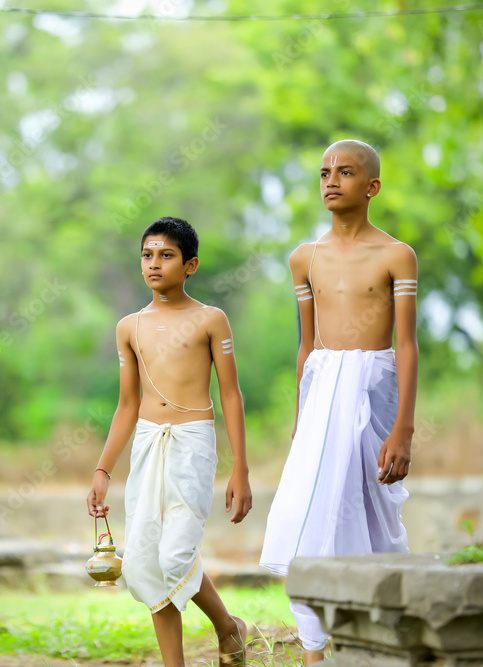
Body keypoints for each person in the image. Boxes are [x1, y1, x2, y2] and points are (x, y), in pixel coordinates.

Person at [259, 140, 417, 665]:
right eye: (324, 172)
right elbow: (306, 346)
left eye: (345, 172)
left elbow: (407, 344)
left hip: (373, 389)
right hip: (323, 394)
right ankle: (314, 650)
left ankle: (380, 637)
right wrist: (303, 423)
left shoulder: (397, 254)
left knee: (365, 508)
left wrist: (403, 429)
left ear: (371, 186)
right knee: (306, 511)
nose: (331, 180)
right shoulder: (304, 258)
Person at [87, 216, 253, 667]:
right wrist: (103, 470)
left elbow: (231, 395)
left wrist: (241, 468)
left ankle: (227, 627)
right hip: (146, 444)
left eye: (166, 255)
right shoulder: (129, 327)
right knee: (143, 561)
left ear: (190, 264)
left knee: (176, 554)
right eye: (147, 254)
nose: (154, 264)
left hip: (193, 443)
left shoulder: (210, 320)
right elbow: (126, 405)